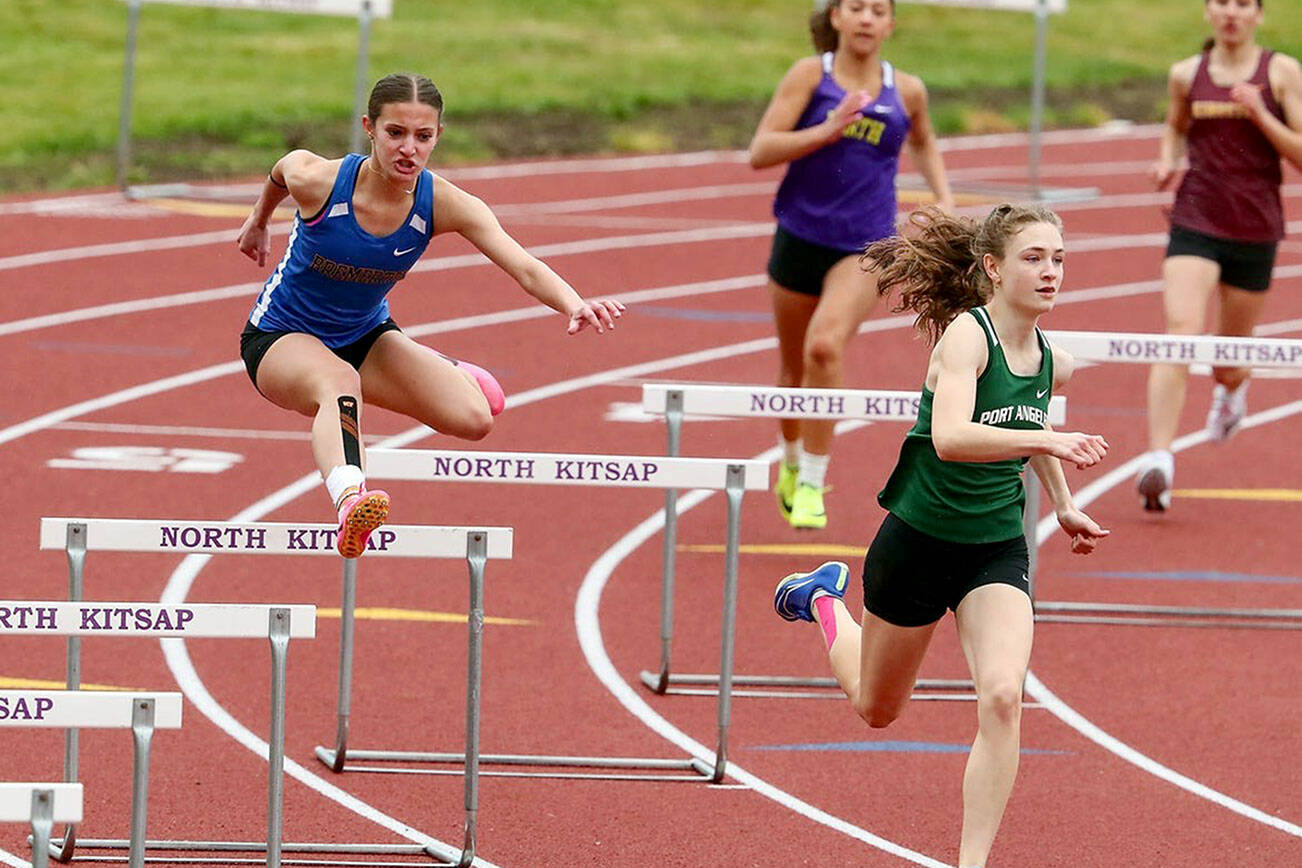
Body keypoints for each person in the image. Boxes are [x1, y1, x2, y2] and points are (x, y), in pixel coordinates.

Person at [772, 204, 1109, 868]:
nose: (1050, 273)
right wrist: (1048, 438)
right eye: (1034, 259)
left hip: (993, 550)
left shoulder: (1051, 358)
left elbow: (1028, 417)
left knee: (1005, 696)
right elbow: (954, 439)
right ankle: (821, 601)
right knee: (876, 709)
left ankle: (972, 863)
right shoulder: (966, 338)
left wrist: (1063, 503)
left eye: (1059, 259)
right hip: (917, 545)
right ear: (993, 268)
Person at [237, 73, 625, 558]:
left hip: (364, 337)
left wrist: (575, 302)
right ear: (369, 129)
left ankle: (449, 371)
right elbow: (282, 169)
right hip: (279, 337)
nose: (408, 150)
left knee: (474, 418)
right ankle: (349, 503)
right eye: (395, 133)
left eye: (422, 137)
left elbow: (523, 264)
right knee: (337, 383)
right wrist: (258, 220)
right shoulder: (320, 180)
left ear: (437, 137)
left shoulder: (442, 203)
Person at [748, 0, 954, 530]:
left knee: (825, 346)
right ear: (836, 18)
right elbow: (761, 150)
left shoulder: (906, 90)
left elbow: (925, 142)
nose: (866, 18)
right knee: (793, 369)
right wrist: (828, 129)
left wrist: (943, 199)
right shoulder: (808, 76)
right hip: (799, 235)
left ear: (889, 25)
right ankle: (790, 463)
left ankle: (814, 479)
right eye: (856, 7)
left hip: (865, 246)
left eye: (878, 10)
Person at [1135, 0, 1302, 512]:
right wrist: (1166, 162)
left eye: (1243, 4)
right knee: (1179, 334)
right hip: (1196, 219)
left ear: (1258, 14)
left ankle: (1230, 392)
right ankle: (1158, 456)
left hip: (1254, 227)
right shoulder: (1186, 73)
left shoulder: (1281, 71)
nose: (1231, 13)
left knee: (1231, 360)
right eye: (1222, 3)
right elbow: (1174, 127)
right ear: (1210, 11)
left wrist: (1259, 113)